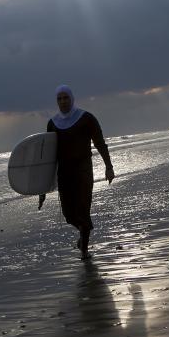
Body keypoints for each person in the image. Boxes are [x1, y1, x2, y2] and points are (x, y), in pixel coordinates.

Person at [38, 85, 114, 260]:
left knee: (83, 210)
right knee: (69, 215)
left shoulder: (86, 118)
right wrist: (42, 189)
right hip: (64, 174)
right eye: (59, 99)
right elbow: (49, 157)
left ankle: (84, 251)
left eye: (66, 98)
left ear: (71, 99)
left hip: (83, 171)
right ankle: (83, 232)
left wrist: (108, 167)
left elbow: (100, 143)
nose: (63, 102)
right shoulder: (53, 123)